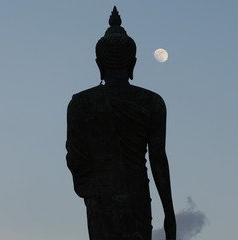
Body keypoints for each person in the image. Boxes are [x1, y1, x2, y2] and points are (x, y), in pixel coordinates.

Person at [66, 6, 176, 240]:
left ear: (99, 65)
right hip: (137, 196)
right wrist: (169, 212)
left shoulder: (80, 104)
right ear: (133, 64)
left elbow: (75, 159)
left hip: (101, 201)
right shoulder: (152, 102)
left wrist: (96, 190)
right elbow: (158, 160)